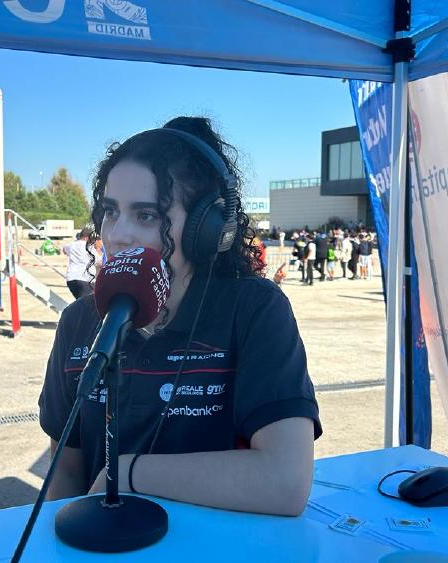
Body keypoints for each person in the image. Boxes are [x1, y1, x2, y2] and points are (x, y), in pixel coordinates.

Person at [39, 117, 321, 516]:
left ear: (207, 230)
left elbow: (285, 480)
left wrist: (128, 472)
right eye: (110, 211)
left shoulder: (254, 310)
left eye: (147, 215)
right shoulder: (78, 323)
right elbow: (65, 476)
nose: (118, 234)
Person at [62, 227, 97, 299]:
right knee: (88, 304)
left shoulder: (71, 245)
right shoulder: (89, 247)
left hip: (72, 279)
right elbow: (98, 260)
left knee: (80, 301)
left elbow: (64, 249)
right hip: (86, 280)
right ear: (86, 237)